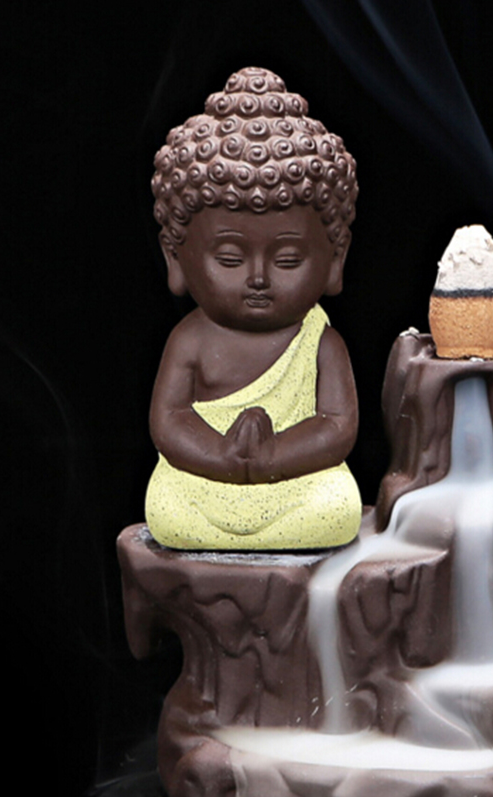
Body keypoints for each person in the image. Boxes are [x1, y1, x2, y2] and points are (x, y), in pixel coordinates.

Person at [145, 68, 362, 550]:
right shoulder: (191, 339)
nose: (259, 278)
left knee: (338, 506)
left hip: (294, 482)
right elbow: (170, 419)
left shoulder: (321, 342)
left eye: (287, 260)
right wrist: (222, 456)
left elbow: (337, 426)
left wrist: (273, 456)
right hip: (204, 480)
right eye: (229, 259)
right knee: (166, 507)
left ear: (335, 260)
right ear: (175, 259)